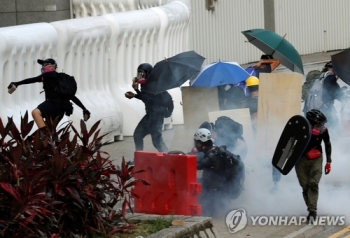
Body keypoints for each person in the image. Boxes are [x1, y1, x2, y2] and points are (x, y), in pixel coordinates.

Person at [8, 58, 90, 129]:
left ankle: (45, 136)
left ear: (53, 67)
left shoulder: (50, 74)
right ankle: (49, 141)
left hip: (53, 104)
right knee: (51, 131)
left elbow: (35, 79)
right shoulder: (59, 80)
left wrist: (17, 83)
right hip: (61, 109)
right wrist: (84, 109)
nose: (43, 67)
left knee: (35, 113)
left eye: (45, 65)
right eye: (42, 65)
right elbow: (71, 96)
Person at [193, 128, 243, 217]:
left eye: (197, 143)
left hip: (214, 196)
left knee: (194, 183)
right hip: (222, 192)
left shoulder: (211, 156)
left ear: (200, 143)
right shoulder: (217, 150)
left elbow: (197, 166)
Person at [125, 63, 174, 152]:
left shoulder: (153, 84)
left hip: (156, 117)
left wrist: (168, 113)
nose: (140, 75)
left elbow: (148, 98)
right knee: (138, 135)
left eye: (142, 73)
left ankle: (168, 157)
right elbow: (147, 98)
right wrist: (134, 95)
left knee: (157, 141)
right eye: (139, 73)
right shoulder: (145, 84)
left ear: (148, 73)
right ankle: (139, 158)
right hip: (150, 115)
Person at [295, 109, 332, 221]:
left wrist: (328, 161)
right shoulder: (300, 129)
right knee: (305, 185)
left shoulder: (323, 130)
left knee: (313, 183)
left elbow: (327, 143)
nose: (321, 126)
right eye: (319, 123)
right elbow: (289, 143)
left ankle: (312, 211)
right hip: (300, 159)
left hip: (317, 158)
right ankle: (310, 206)